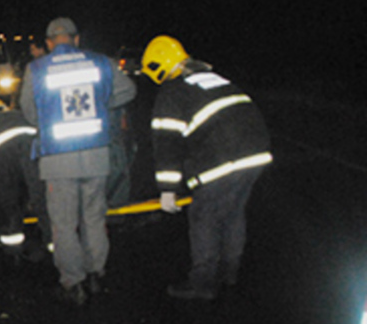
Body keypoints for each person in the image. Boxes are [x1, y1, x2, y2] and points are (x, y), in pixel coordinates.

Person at [142, 35, 272, 299]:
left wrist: (167, 189)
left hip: (223, 159)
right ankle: (229, 273)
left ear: (159, 67)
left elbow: (167, 142)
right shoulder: (215, 79)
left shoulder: (173, 91)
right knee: (233, 213)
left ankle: (202, 284)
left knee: (205, 218)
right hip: (256, 152)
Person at [19, 17, 136, 305]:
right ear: (76, 39)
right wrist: (99, 103)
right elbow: (128, 90)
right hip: (96, 154)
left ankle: (74, 283)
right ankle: (96, 272)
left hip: (58, 159)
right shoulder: (101, 62)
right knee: (95, 217)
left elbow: (29, 111)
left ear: (48, 43)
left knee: (63, 224)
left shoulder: (36, 69)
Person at [0, 99, 49, 259]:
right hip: (31, 145)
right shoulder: (18, 114)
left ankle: (12, 250)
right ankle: (53, 242)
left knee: (8, 200)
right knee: (40, 196)